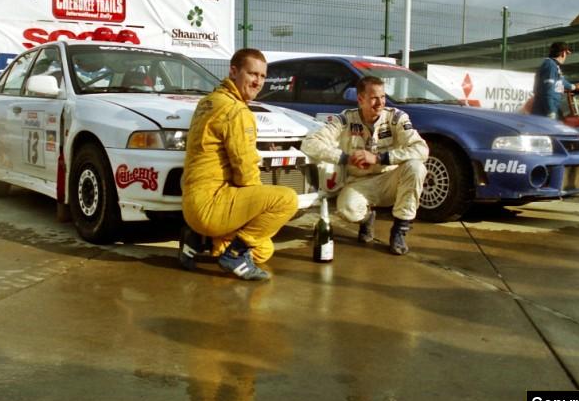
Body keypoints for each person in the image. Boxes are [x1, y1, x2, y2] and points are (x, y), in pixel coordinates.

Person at [179, 48, 298, 281]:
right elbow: (245, 171)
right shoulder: (236, 110)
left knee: (264, 250)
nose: (258, 82)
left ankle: (198, 239)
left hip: (191, 205)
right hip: (210, 207)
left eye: (263, 76)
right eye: (252, 74)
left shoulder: (208, 101)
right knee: (286, 200)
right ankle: (233, 255)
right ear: (233, 71)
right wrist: (257, 205)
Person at [300, 76, 428, 255]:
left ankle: (399, 230)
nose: (380, 102)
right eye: (374, 98)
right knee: (347, 211)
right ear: (360, 99)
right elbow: (310, 143)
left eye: (383, 97)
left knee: (416, 167)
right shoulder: (345, 120)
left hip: (390, 180)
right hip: (359, 182)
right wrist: (345, 157)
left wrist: (380, 158)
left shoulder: (396, 118)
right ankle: (367, 218)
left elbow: (421, 149)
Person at [531, 41, 579, 119]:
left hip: (551, 109)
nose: (566, 57)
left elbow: (562, 82)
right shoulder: (550, 66)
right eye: (567, 54)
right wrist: (551, 112)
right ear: (563, 53)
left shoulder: (553, 65)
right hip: (545, 113)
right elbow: (548, 90)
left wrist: (574, 87)